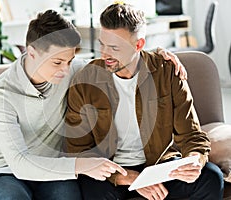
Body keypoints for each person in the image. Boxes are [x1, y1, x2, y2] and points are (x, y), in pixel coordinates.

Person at [0, 8, 187, 200]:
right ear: (31, 52)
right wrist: (83, 165)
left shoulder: (72, 72)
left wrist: (156, 55)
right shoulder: (1, 94)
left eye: (69, 61)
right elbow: (19, 163)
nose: (65, 69)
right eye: (57, 62)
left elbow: (120, 59)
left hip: (56, 169)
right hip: (6, 171)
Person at [65, 3, 224, 200]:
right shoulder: (85, 80)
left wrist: (194, 161)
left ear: (139, 45)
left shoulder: (167, 72)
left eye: (114, 48)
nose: (105, 54)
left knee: (211, 177)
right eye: (102, 44)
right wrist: (130, 178)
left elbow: (192, 135)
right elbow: (78, 150)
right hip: (110, 173)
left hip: (158, 166)